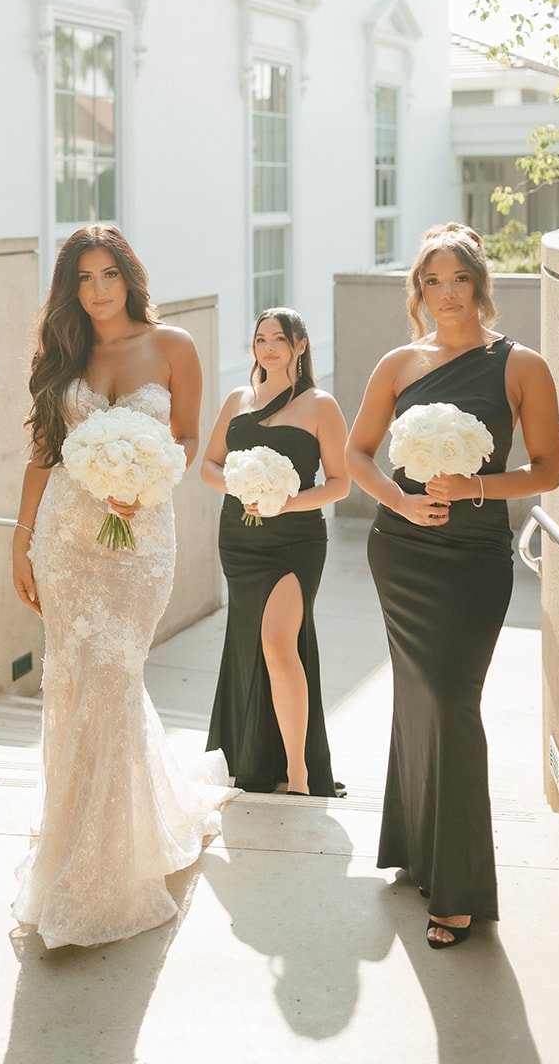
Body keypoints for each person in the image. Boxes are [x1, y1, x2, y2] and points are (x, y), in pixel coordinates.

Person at [11, 223, 233, 948]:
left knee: (111, 674)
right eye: (83, 278)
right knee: (76, 685)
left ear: (128, 278)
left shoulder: (173, 347)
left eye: (108, 275)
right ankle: (75, 855)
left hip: (140, 539)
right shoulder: (61, 352)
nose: (97, 290)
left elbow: (188, 436)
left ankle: (107, 873)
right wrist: (20, 541)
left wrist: (140, 485)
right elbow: (44, 452)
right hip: (66, 540)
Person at [346, 222, 559, 949]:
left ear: (480, 285)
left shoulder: (520, 365)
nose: (446, 294)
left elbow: (547, 471)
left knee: (449, 698)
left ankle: (460, 886)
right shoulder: (397, 363)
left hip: (472, 557)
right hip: (400, 550)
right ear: (417, 290)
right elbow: (356, 453)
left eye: (458, 279)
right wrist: (400, 500)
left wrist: (473, 485)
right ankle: (417, 852)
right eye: (431, 281)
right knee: (414, 697)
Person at [202, 307, 349, 797]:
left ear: (300, 346)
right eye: (260, 338)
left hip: (295, 542)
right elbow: (208, 465)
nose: (268, 347)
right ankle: (258, 756)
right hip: (240, 539)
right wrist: (239, 486)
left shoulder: (321, 405)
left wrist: (283, 503)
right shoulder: (237, 399)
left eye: (279, 339)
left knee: (278, 643)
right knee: (255, 642)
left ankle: (300, 773)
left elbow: (340, 484)